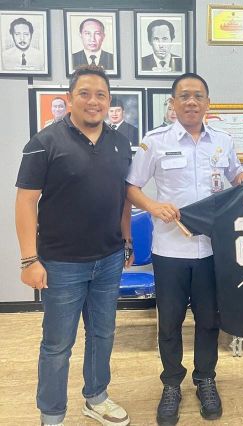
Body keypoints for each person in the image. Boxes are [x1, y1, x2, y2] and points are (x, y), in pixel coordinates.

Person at [126, 72, 243, 426]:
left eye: (198, 95)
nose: (191, 102)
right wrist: (153, 206)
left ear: (208, 103)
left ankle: (205, 380)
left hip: (212, 250)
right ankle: (171, 384)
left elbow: (236, 177)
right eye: (184, 96)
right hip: (170, 250)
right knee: (169, 322)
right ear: (173, 103)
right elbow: (131, 186)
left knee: (209, 321)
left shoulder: (223, 141)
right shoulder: (155, 142)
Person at [15, 64, 133, 426]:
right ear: (69, 99)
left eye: (101, 95)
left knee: (102, 334)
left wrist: (126, 240)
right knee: (57, 345)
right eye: (84, 93)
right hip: (61, 264)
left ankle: (96, 397)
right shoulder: (44, 143)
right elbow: (25, 202)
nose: (93, 101)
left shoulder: (120, 143)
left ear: (109, 101)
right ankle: (52, 414)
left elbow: (123, 196)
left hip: (109, 259)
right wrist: (29, 260)